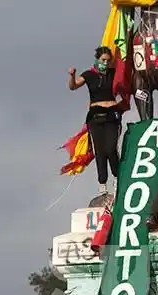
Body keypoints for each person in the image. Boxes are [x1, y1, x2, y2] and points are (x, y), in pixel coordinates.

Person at [68, 46, 123, 194]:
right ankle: (102, 183)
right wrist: (72, 75)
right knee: (100, 151)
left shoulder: (113, 74)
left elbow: (124, 77)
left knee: (111, 149)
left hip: (112, 116)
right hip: (95, 118)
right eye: (103, 60)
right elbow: (73, 87)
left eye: (107, 60)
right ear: (97, 59)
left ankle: (117, 177)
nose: (105, 63)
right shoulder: (89, 74)